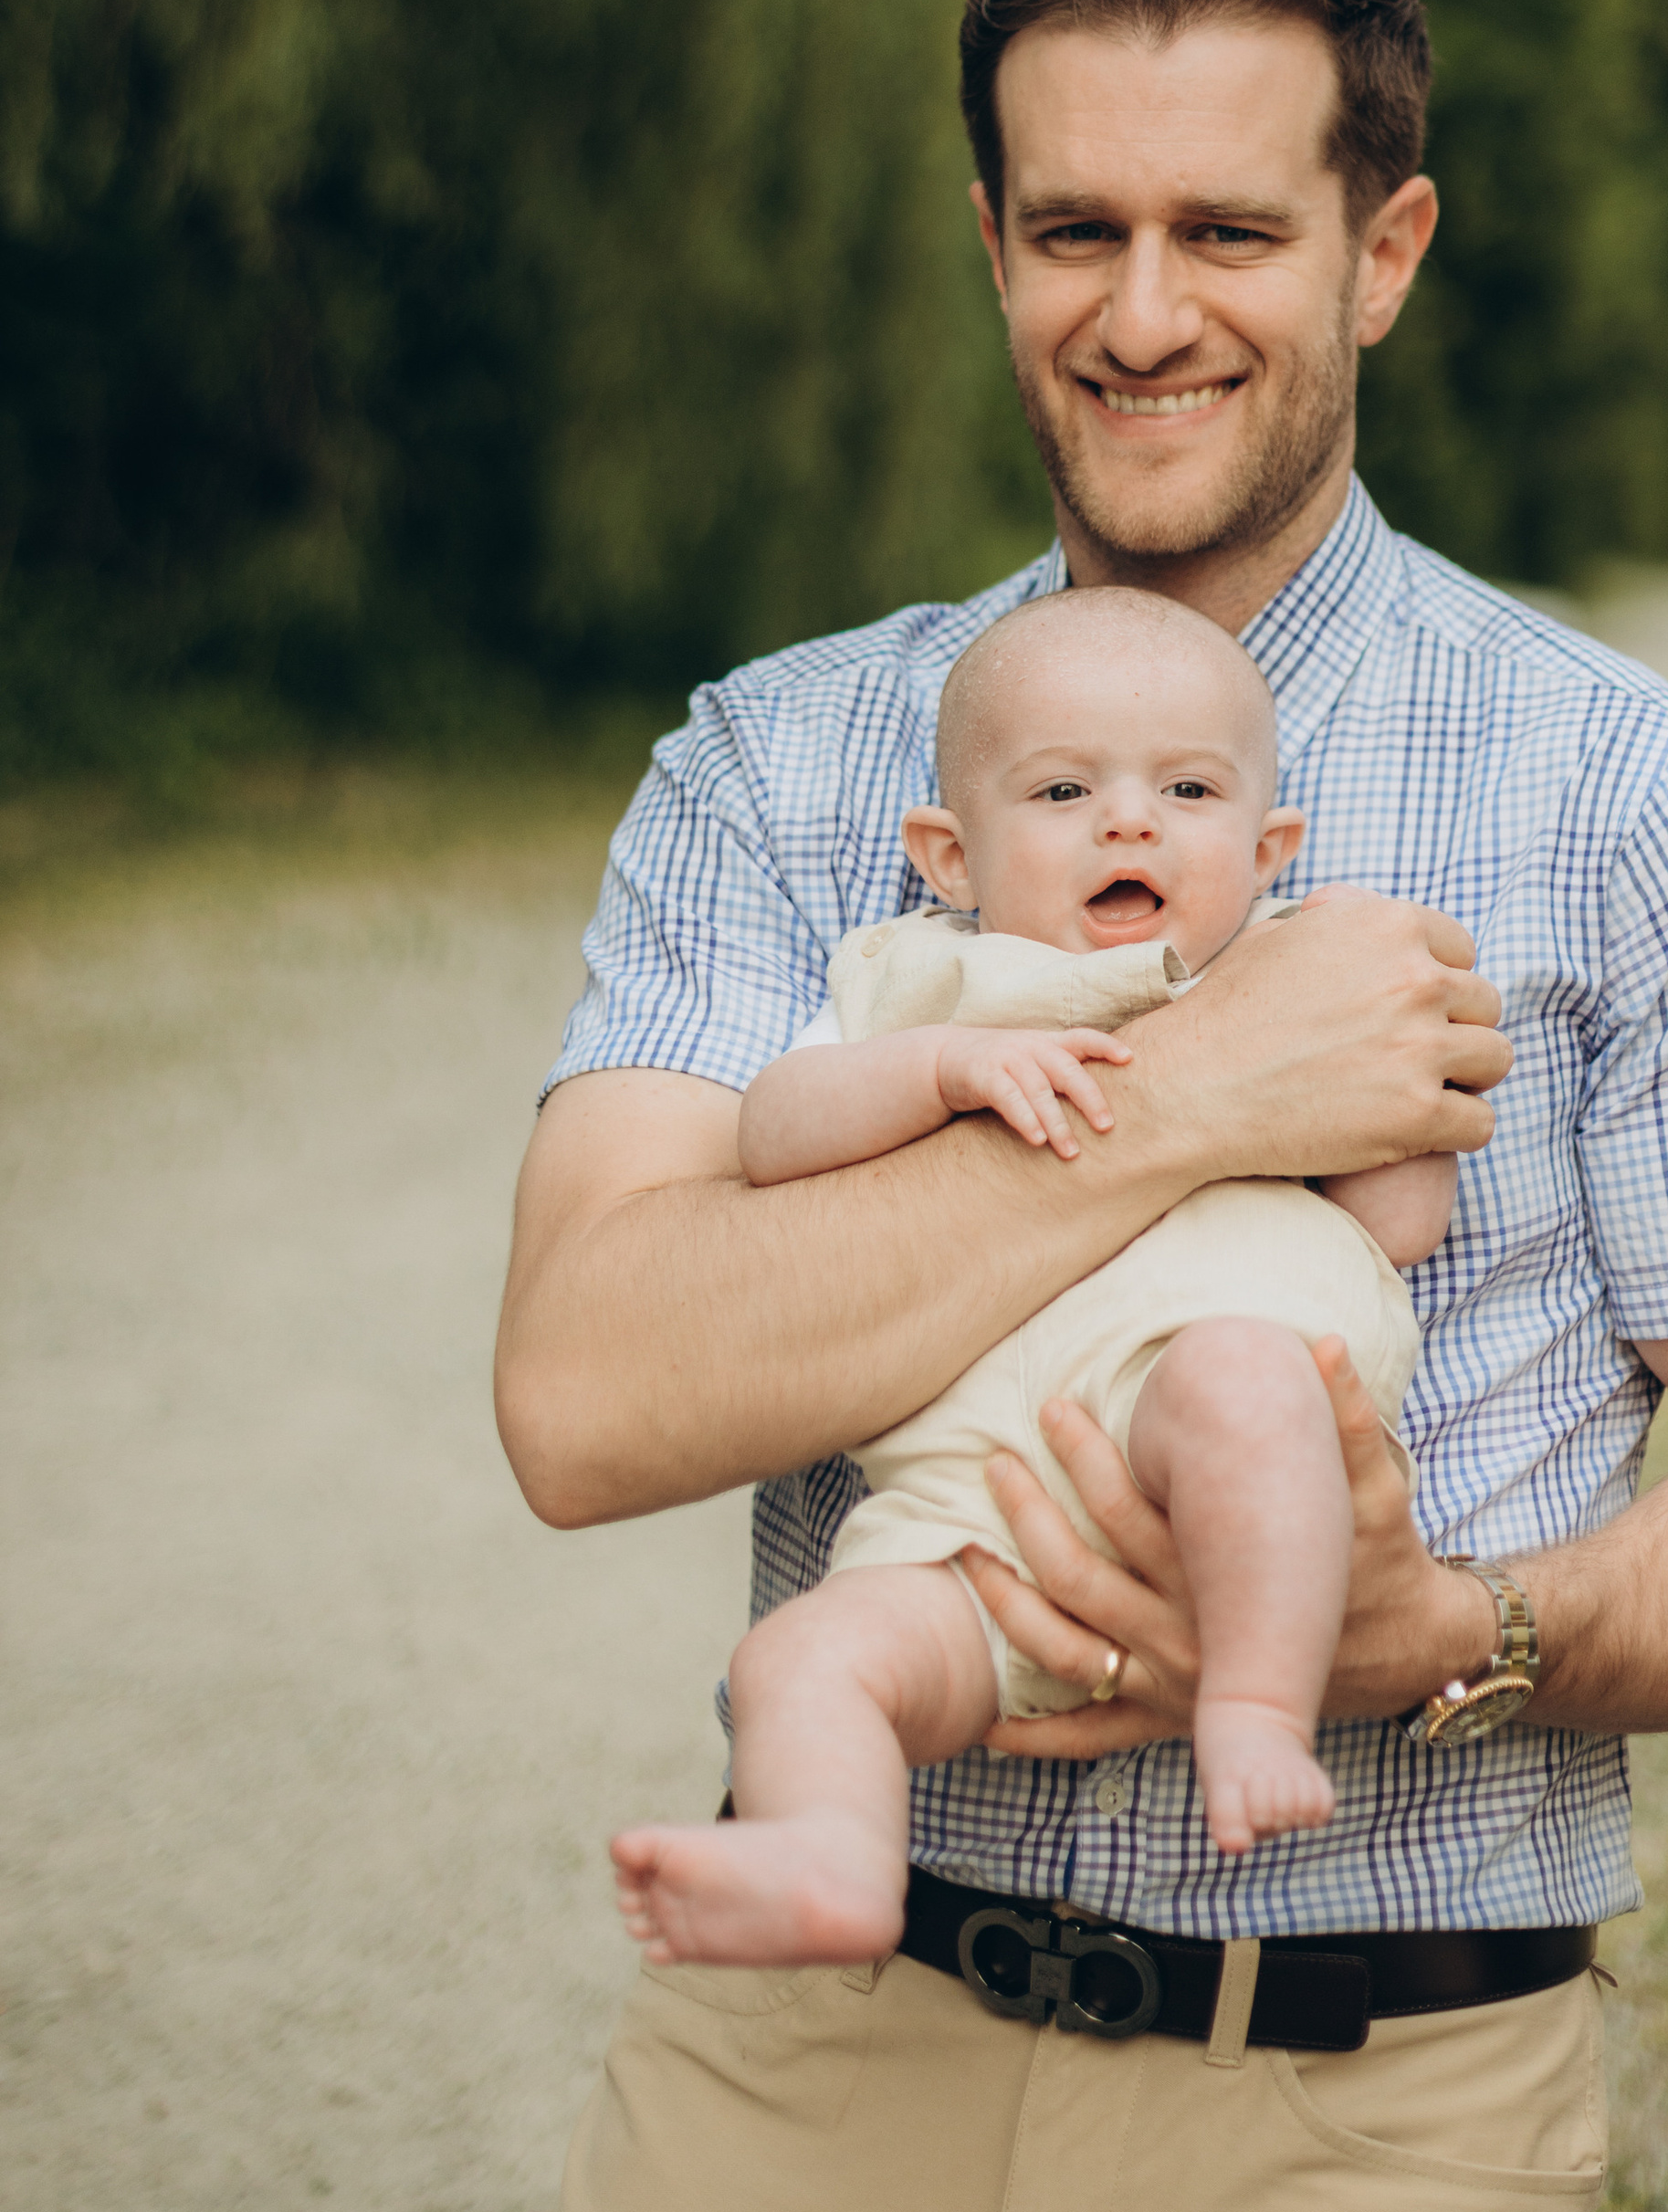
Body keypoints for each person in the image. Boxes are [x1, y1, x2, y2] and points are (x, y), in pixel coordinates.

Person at [498, 0, 1668, 2212]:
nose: (1142, 316)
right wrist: (1190, 1093)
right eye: (1074, 232)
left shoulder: (1656, 812)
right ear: (992, 246)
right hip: (819, 2055)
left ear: (1384, 252)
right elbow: (587, 1396)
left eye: (1230, 232)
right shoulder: (787, 765)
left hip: (1369, 2125)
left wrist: (1439, 1633)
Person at [611, 584, 1455, 1968]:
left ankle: (1251, 1707)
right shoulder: (923, 986)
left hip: (1196, 1413)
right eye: (1064, 790)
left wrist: (1404, 1088)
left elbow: (1400, 1220)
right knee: (800, 1661)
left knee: (1252, 1387)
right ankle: (829, 1860)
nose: (1130, 821)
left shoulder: (1293, 986)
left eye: (1187, 789)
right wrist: (944, 1069)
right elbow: (774, 1132)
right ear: (951, 855)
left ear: (1268, 844)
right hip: (964, 1513)